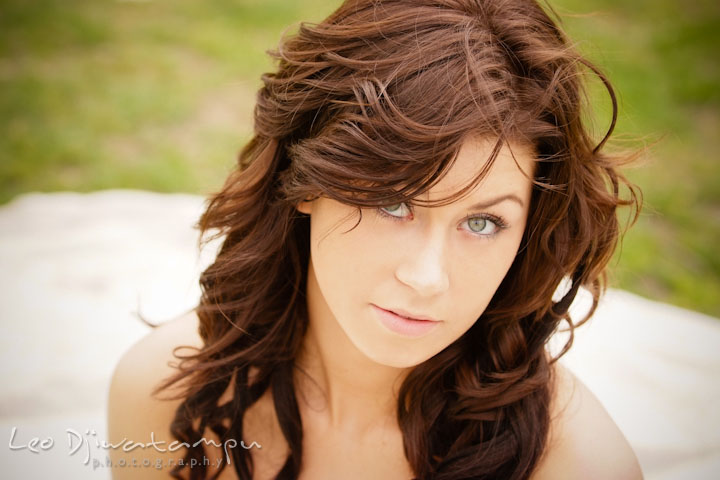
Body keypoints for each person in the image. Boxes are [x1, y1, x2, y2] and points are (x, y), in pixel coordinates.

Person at [107, 0, 645, 478]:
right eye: (393, 204)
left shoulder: (576, 465)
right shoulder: (167, 396)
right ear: (303, 180)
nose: (426, 277)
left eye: (482, 223)